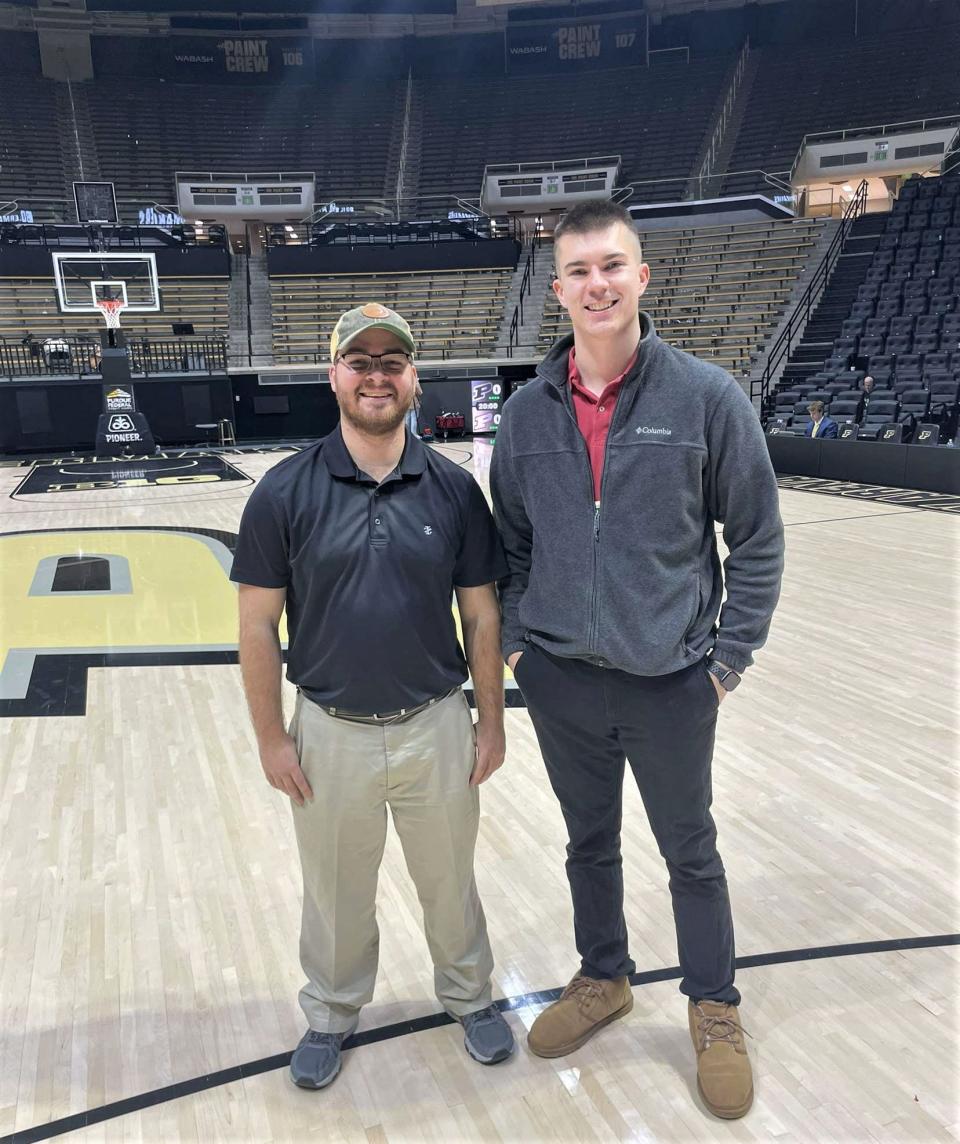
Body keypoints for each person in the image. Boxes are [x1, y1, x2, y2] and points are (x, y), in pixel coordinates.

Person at [490, 200, 784, 1120]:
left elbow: (759, 541)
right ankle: (603, 977)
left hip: (672, 682)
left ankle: (714, 1007)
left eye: (612, 266)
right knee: (588, 842)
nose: (597, 285)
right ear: (559, 289)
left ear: (641, 278)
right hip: (563, 680)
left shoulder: (706, 397)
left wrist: (725, 661)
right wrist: (524, 648)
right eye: (578, 271)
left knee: (689, 851)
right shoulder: (526, 413)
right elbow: (510, 547)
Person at [232, 302, 515, 1091]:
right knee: (334, 893)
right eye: (361, 361)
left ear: (414, 378)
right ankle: (329, 1011)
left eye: (394, 360)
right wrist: (270, 738)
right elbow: (257, 627)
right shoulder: (283, 492)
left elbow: (481, 613)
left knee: (449, 882)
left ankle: (469, 996)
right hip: (329, 733)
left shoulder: (455, 491)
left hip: (436, 726)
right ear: (335, 377)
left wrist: (490, 723)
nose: (378, 374)